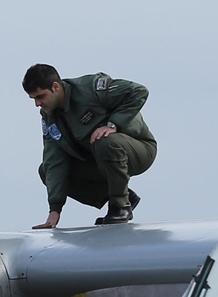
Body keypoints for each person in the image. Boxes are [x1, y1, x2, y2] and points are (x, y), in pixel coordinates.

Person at [24, 64, 157, 228]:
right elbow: (54, 160)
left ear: (56, 87)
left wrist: (113, 124)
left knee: (105, 140)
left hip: (138, 149)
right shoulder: (49, 116)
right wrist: (54, 210)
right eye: (34, 99)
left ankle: (120, 205)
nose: (38, 103)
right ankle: (124, 197)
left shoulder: (90, 89)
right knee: (46, 170)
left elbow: (138, 91)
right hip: (99, 160)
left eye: (41, 96)